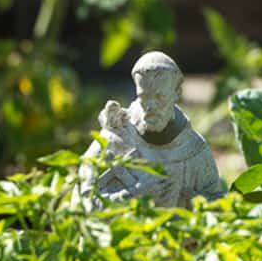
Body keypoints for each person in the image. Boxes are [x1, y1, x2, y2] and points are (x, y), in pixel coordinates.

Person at [80, 51, 226, 208]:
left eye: (159, 98)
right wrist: (134, 195)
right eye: (144, 98)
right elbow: (83, 204)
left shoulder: (194, 150)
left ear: (177, 93)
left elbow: (218, 207)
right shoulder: (115, 139)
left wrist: (197, 200)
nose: (150, 107)